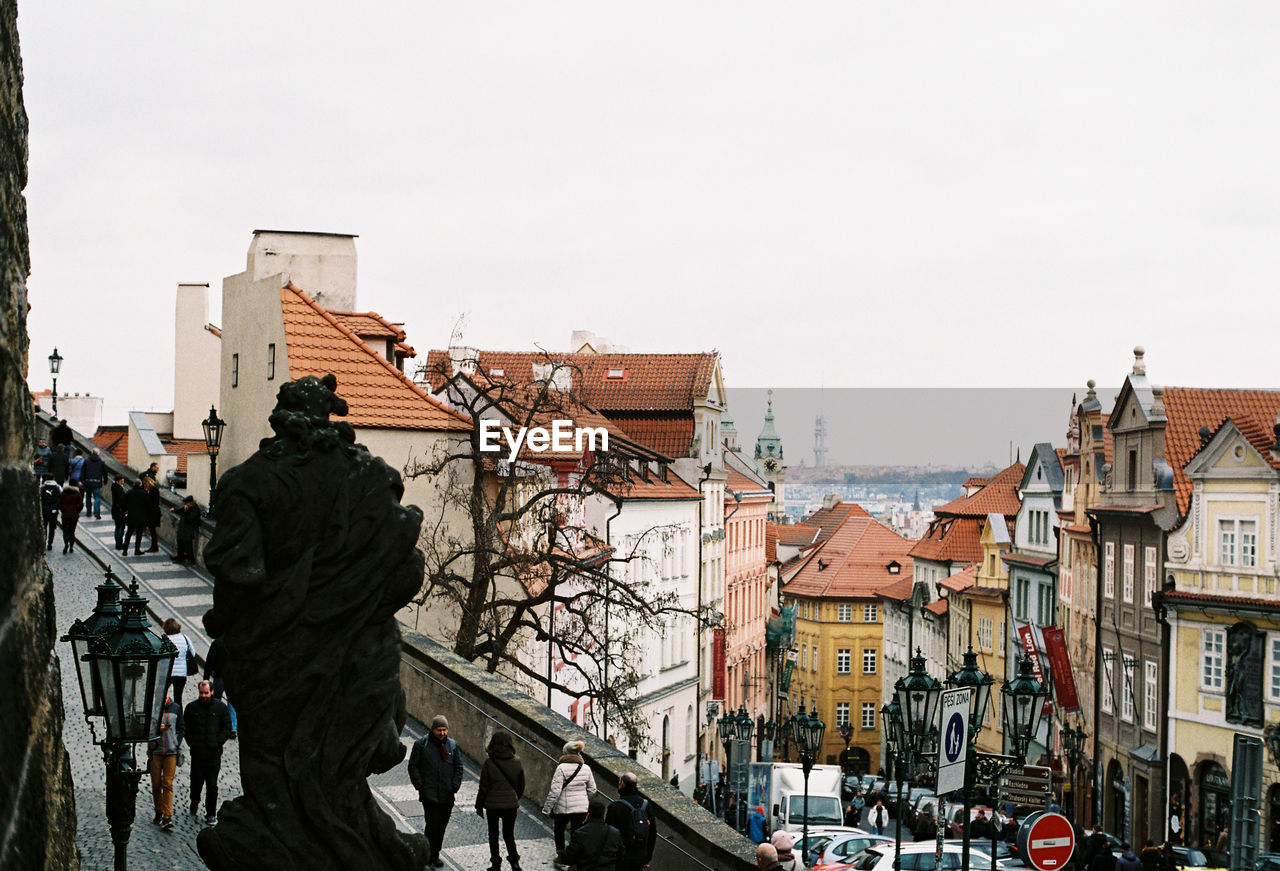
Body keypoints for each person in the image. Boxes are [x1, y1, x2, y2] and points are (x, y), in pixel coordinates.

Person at [408, 715, 464, 869]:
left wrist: (455, 785)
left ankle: (435, 854)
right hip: (430, 795)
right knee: (432, 826)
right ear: (433, 730)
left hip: (447, 795)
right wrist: (421, 786)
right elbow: (413, 766)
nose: (442, 733)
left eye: (445, 730)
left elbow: (459, 767)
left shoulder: (452, 745)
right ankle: (428, 856)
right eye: (439, 730)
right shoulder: (422, 745)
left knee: (441, 827)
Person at [183, 680, 233, 825]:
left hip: (213, 753)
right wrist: (192, 743)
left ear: (211, 692)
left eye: (206, 693)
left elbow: (227, 726)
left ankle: (211, 813)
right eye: (201, 693)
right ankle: (195, 799)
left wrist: (218, 742)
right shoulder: (192, 708)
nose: (203, 695)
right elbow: (186, 727)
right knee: (196, 782)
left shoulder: (220, 708)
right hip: (198, 753)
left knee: (212, 785)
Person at [476, 731, 525, 871]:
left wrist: (479, 805)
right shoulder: (517, 761)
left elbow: (483, 787)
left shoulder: (489, 762)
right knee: (509, 835)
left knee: (493, 835)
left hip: (492, 805)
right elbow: (521, 785)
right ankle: (515, 863)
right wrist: (514, 798)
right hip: (511, 805)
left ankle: (496, 864)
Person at [543, 739, 597, 862]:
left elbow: (555, 791)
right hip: (581, 808)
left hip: (563, 807)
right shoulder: (586, 768)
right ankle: (575, 858)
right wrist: (583, 799)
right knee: (577, 833)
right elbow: (593, 790)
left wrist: (547, 809)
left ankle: (561, 856)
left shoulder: (561, 768)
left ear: (565, 753)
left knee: (559, 831)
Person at [148, 691, 184, 830]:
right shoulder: (152, 708)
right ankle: (159, 810)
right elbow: (146, 729)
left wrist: (178, 742)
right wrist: (157, 729)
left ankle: (167, 816)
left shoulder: (176, 708)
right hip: (155, 751)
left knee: (167, 783)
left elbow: (181, 727)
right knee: (156, 784)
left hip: (171, 752)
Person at [606, 772, 656, 871]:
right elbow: (652, 832)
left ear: (622, 784)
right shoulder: (646, 805)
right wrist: (648, 856)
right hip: (640, 855)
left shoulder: (615, 807)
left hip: (621, 856)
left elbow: (609, 834)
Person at [561, 799, 623, 871]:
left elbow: (568, 858)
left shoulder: (581, 833)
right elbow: (621, 854)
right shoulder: (615, 832)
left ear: (588, 814)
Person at [202, 634, 237, 738]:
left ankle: (216, 724)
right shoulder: (234, 640)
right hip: (232, 676)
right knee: (231, 701)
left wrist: (206, 678)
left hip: (219, 676)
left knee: (216, 699)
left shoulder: (217, 643)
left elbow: (209, 662)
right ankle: (233, 727)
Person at [163, 618, 197, 705]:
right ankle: (179, 716)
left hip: (168, 672)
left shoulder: (165, 639)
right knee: (178, 698)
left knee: (162, 695)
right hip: (181, 673)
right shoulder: (185, 638)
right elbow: (193, 653)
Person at [122, 478, 149, 555]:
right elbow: (148, 506)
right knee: (139, 534)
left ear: (134, 484)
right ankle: (137, 550)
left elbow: (124, 504)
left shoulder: (129, 492)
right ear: (140, 484)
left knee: (129, 533)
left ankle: (125, 550)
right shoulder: (144, 493)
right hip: (141, 517)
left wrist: (126, 510)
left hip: (131, 516)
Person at [171, 495, 201, 563]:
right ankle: (180, 559)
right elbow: (180, 510)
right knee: (180, 545)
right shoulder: (187, 508)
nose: (185, 505)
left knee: (188, 546)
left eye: (187, 503)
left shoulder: (195, 509)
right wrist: (174, 510)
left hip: (188, 531)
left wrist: (186, 511)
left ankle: (191, 560)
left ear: (191, 503)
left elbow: (189, 519)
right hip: (182, 529)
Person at [57, 481, 83, 553]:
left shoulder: (63, 493)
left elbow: (59, 503)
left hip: (65, 515)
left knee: (65, 530)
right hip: (74, 516)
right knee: (72, 531)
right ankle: (71, 546)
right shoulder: (77, 494)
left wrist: (63, 510)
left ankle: (66, 543)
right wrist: (76, 511)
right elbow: (81, 505)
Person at [80, 448, 106, 518]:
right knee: (97, 497)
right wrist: (105, 481)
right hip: (97, 482)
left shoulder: (86, 461)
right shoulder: (101, 461)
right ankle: (96, 512)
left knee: (88, 497)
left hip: (88, 481)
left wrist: (81, 480)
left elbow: (83, 471)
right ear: (98, 453)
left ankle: (89, 512)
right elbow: (105, 472)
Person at [40, 478, 60, 551]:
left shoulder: (43, 487)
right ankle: (50, 543)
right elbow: (59, 499)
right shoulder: (57, 487)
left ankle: (44, 541)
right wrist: (57, 508)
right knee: (52, 528)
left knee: (44, 526)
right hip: (53, 511)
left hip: (45, 510)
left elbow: (40, 498)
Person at [143, 475, 161, 552]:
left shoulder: (153, 490)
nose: (145, 485)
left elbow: (153, 502)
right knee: (152, 531)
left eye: (145, 484)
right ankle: (154, 546)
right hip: (153, 513)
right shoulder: (153, 489)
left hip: (153, 514)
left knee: (152, 531)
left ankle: (154, 547)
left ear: (148, 482)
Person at [109, 473, 128, 549]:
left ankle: (117, 542)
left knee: (117, 527)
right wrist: (125, 509)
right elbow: (121, 501)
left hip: (115, 510)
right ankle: (119, 544)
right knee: (121, 527)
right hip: (120, 511)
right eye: (121, 481)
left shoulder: (114, 487)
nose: (123, 482)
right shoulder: (119, 489)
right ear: (117, 481)